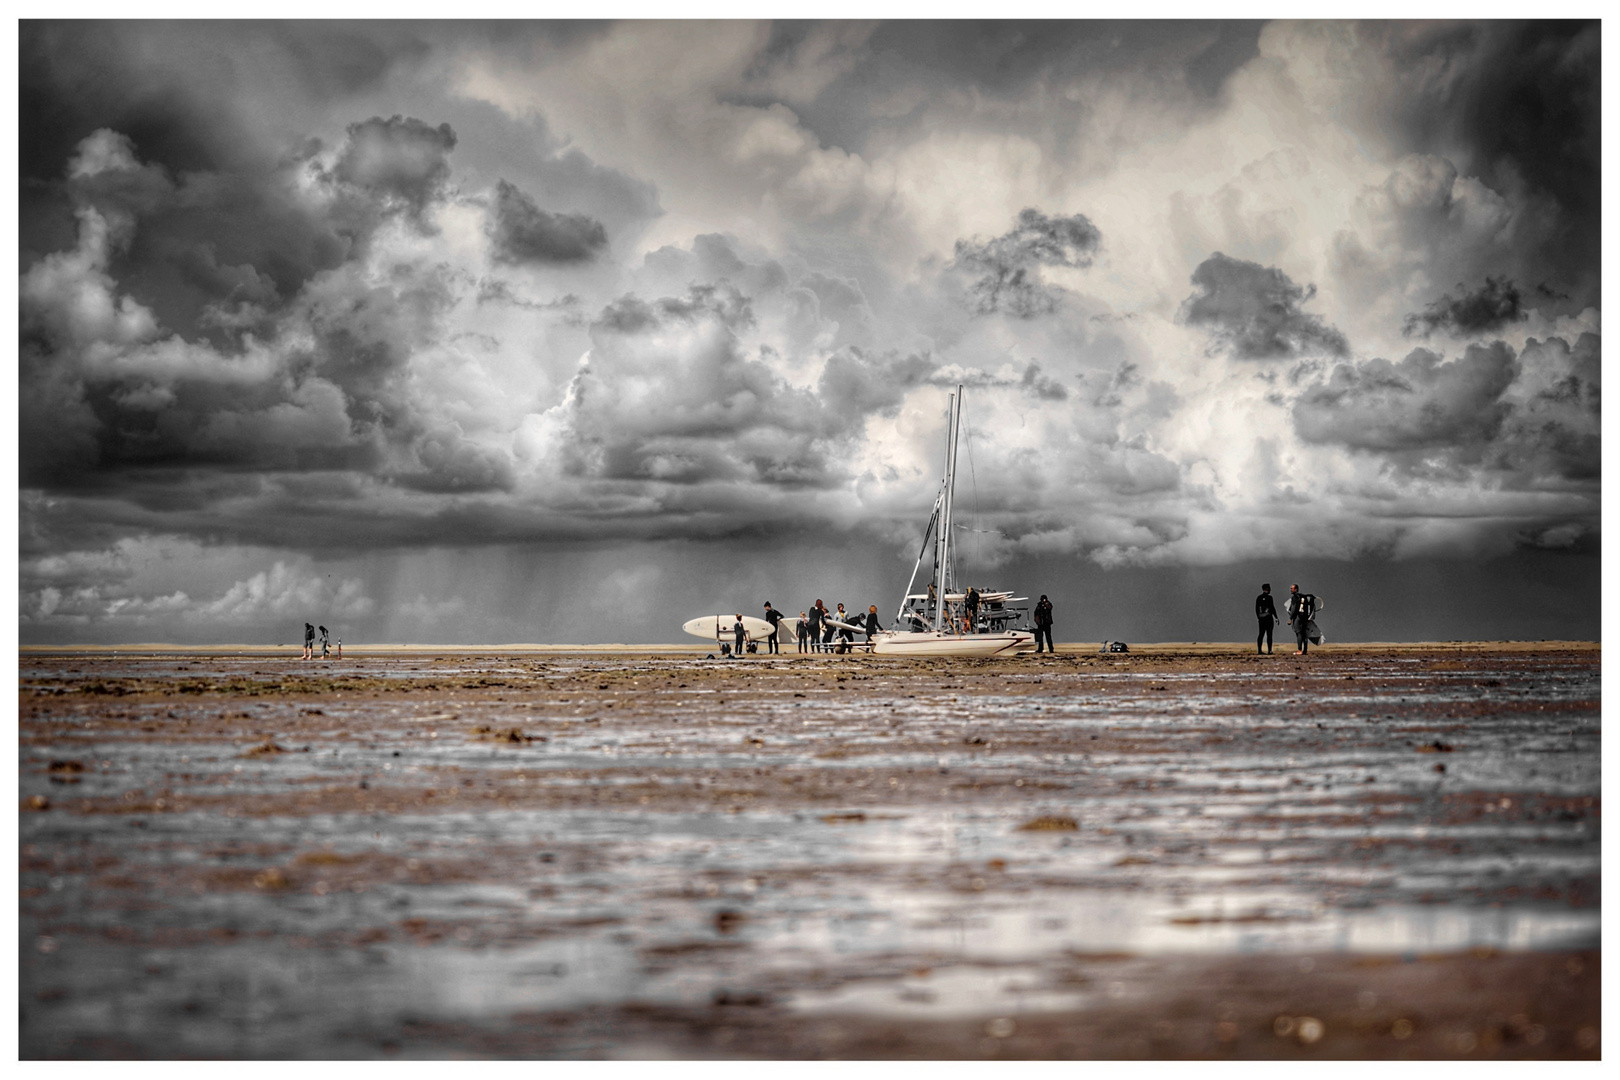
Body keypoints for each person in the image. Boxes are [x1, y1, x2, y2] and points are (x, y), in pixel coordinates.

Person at [1287, 585, 1315, 655]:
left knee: (1298, 633)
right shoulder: (1304, 597)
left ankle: (1299, 650)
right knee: (1304, 634)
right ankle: (1305, 650)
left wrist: (1290, 618)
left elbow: (1293, 609)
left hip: (1298, 617)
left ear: (1296, 589)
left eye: (1292, 589)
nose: (1291, 590)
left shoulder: (1295, 597)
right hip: (1304, 617)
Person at [1255, 584, 1278, 655]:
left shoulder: (1259, 597)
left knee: (1262, 634)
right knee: (1268, 634)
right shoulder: (1269, 598)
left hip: (1262, 619)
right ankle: (1269, 650)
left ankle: (1260, 650)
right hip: (1268, 618)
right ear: (1267, 589)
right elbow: (1272, 608)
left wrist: (1258, 617)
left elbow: (1256, 609)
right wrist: (1276, 617)